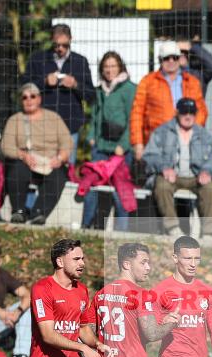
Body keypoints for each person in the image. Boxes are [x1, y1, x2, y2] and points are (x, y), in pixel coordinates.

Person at [142, 97, 212, 237]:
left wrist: (207, 171)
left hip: (195, 177)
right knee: (162, 185)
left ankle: (208, 234)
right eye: (184, 112)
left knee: (211, 188)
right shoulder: (162, 131)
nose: (188, 116)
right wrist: (164, 168)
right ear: (177, 113)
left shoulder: (205, 135)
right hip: (171, 176)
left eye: (191, 113)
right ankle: (172, 229)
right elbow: (150, 155)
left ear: (196, 115)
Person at [22, 24, 95, 165]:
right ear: (51, 40)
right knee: (40, 167)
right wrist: (44, 82)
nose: (60, 49)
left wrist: (75, 85)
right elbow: (24, 87)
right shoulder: (38, 60)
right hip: (41, 127)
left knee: (66, 172)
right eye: (56, 45)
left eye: (64, 45)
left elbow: (91, 95)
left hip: (70, 128)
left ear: (71, 40)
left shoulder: (80, 62)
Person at [1, 82, 73, 225]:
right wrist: (23, 155)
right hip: (25, 161)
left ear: (39, 98)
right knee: (17, 170)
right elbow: (6, 146)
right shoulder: (14, 120)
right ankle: (19, 212)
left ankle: (39, 214)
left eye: (32, 96)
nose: (29, 100)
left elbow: (67, 142)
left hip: (50, 161)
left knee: (59, 175)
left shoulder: (54, 118)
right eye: (24, 97)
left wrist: (59, 158)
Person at [83, 51, 137, 229]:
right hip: (100, 148)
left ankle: (122, 232)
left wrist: (124, 144)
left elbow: (133, 119)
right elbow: (95, 117)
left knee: (121, 191)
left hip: (120, 150)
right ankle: (87, 227)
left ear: (120, 67)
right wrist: (91, 137)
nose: (109, 70)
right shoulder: (100, 90)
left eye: (113, 66)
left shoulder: (129, 89)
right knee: (91, 186)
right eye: (106, 66)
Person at [130, 41, 207, 162]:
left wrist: (192, 132)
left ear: (180, 59)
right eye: (167, 58)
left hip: (186, 143)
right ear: (160, 60)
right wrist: (137, 143)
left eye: (175, 57)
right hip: (156, 143)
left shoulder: (192, 82)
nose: (171, 61)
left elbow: (201, 111)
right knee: (158, 179)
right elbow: (137, 113)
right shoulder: (148, 82)